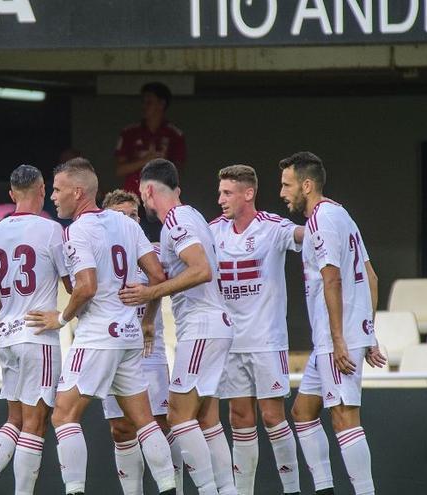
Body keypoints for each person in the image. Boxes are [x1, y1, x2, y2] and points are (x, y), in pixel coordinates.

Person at [25, 158, 177, 495]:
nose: (53, 196)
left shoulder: (78, 229)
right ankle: (168, 487)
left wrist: (61, 318)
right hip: (129, 335)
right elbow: (156, 277)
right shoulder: (128, 224)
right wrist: (147, 314)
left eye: (59, 189)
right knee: (144, 421)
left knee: (63, 416)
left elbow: (87, 286)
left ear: (78, 192)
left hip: (97, 336)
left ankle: (75, 490)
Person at [120, 158, 235, 495]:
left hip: (201, 326)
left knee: (178, 417)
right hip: (214, 325)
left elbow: (200, 269)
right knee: (207, 419)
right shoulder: (194, 215)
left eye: (142, 195)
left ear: (149, 190)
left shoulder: (174, 221)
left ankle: (209, 490)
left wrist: (151, 291)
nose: (143, 201)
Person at [278, 152, 386, 495]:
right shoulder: (341, 213)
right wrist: (367, 331)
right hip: (339, 335)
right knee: (303, 411)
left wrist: (341, 339)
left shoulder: (321, 221)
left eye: (287, 184)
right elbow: (371, 276)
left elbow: (333, 280)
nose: (282, 192)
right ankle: (324, 488)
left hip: (334, 337)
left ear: (306, 185)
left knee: (343, 417)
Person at [0, 165, 70, 495]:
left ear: (12, 194)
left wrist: (12, 307)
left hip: (7, 335)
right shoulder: (52, 231)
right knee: (35, 423)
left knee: (13, 420)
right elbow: (72, 283)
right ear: (42, 190)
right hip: (38, 336)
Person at [209, 165, 304, 495]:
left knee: (272, 416)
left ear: (248, 194)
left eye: (227, 193)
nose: (220, 199)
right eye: (220, 192)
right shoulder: (214, 231)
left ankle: (292, 489)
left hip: (266, 339)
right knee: (238, 417)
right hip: (230, 342)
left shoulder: (272, 227)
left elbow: (301, 236)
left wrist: (324, 224)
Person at [100, 189, 183, 495]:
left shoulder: (157, 250)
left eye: (133, 215)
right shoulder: (97, 252)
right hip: (113, 349)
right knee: (121, 428)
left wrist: (148, 316)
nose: (129, 221)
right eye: (122, 216)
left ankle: (175, 488)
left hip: (149, 350)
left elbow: (170, 277)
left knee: (160, 423)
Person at [114, 82, 186, 196]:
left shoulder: (175, 135)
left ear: (162, 104)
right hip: (133, 198)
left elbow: (177, 173)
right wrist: (145, 160)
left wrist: (161, 163)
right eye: (143, 102)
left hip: (163, 198)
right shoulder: (129, 132)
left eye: (149, 102)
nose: (144, 106)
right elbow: (119, 170)